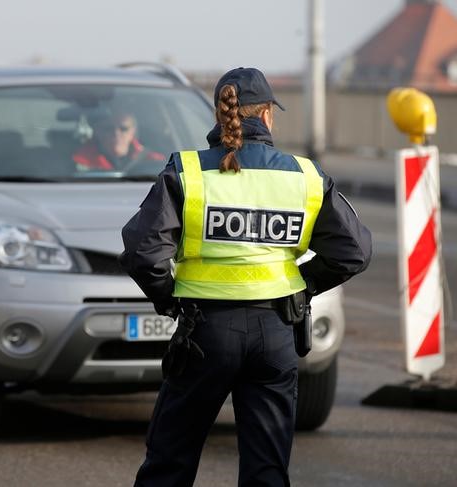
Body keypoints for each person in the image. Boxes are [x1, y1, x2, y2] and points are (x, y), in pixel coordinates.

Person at [120, 67, 372, 486]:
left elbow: (143, 251)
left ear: (221, 115)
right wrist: (304, 285)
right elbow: (355, 251)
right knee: (267, 469)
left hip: (204, 332)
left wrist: (169, 298)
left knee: (169, 463)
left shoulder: (187, 171)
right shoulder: (305, 177)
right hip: (276, 332)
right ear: (268, 116)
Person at [73, 110, 164, 171]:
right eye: (108, 129)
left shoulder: (154, 161)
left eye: (123, 129)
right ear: (97, 131)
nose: (116, 133)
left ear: (133, 132)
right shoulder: (77, 162)